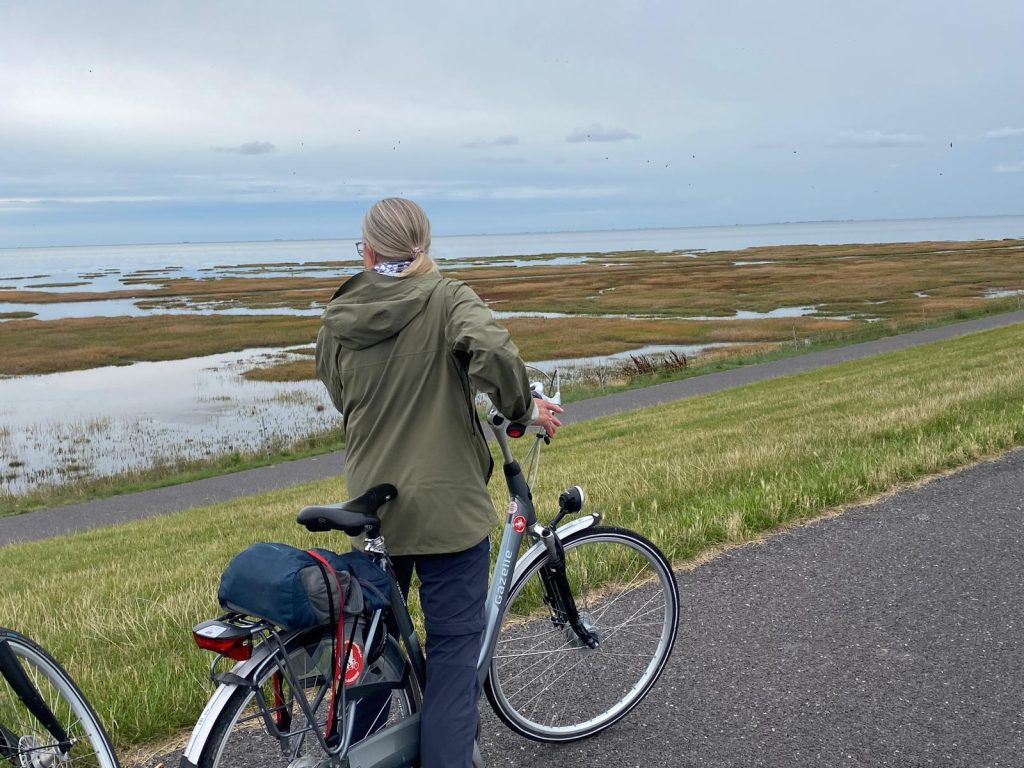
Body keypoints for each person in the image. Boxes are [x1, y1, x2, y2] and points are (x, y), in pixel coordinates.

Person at [315, 197, 562, 768]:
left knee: (372, 652)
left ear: (369, 251)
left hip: (372, 508)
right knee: (453, 653)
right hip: (448, 512)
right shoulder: (447, 298)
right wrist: (521, 408)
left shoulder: (339, 316)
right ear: (424, 245)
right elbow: (495, 352)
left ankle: (358, 753)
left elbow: (340, 395)